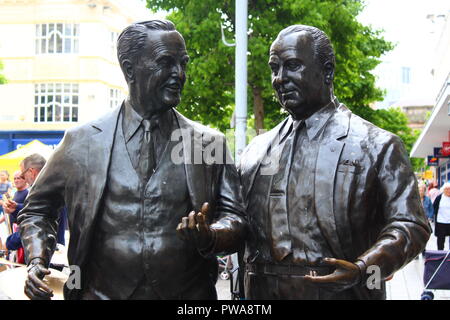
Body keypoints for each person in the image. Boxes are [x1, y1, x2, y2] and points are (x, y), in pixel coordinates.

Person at [18, 19, 246, 300]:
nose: (179, 74)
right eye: (166, 62)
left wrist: (211, 235)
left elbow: (236, 218)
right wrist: (37, 260)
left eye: (183, 63)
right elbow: (38, 210)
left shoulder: (208, 143)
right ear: (129, 68)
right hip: (99, 294)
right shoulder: (81, 142)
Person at [238, 25, 430, 300]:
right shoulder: (255, 150)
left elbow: (411, 225)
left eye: (292, 66)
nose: (280, 79)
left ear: (327, 71)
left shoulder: (377, 144)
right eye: (274, 68)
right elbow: (238, 223)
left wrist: (363, 268)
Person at [433, 182, 450, 250]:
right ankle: (440, 254)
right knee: (440, 240)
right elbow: (434, 208)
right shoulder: (439, 198)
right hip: (441, 222)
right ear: (443, 190)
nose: (449, 191)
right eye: (447, 189)